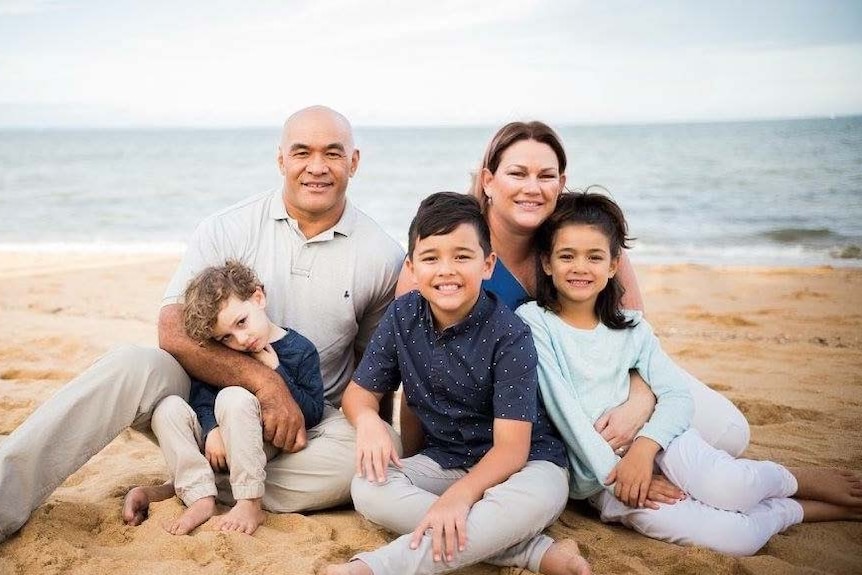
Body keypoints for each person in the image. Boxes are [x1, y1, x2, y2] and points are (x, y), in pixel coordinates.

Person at [0, 106, 405, 541]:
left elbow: (372, 370)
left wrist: (369, 436)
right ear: (281, 159)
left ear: (354, 161)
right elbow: (172, 330)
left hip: (302, 428)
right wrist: (265, 385)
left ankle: (193, 484)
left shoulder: (381, 254)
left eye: (333, 153)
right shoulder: (227, 228)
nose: (317, 167)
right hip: (203, 403)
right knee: (131, 363)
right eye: (302, 152)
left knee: (379, 455)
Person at [516, 190, 862, 555]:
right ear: (548, 263)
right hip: (603, 481)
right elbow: (563, 410)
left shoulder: (632, 328)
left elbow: (677, 396)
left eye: (594, 256)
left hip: (662, 441)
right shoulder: (535, 323)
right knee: (737, 539)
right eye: (567, 256)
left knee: (732, 488)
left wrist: (646, 449)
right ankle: (792, 509)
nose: (580, 267)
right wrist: (617, 477)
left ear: (614, 265)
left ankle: (791, 478)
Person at [398, 120, 750, 463]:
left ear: (561, 182)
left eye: (546, 176)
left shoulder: (583, 240)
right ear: (489, 181)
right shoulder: (450, 249)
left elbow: (634, 335)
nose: (532, 188)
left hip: (607, 379)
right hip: (522, 412)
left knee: (730, 434)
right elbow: (413, 362)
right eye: (518, 173)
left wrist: (640, 402)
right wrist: (411, 453)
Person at [327, 193, 590, 575]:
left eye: (462, 256)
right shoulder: (403, 315)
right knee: (367, 487)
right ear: (413, 268)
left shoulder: (510, 334)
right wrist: (368, 422)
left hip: (527, 466)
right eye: (431, 258)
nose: (446, 270)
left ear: (487, 265)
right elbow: (358, 394)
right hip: (447, 461)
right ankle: (527, 550)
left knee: (538, 497)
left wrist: (461, 498)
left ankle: (376, 568)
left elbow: (512, 451)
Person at [144, 260, 324, 535]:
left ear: (258, 298)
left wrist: (277, 370)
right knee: (167, 409)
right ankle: (200, 497)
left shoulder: (300, 350)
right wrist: (212, 429)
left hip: (260, 443)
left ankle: (249, 500)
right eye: (226, 338)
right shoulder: (230, 355)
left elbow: (312, 413)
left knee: (233, 397)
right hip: (218, 449)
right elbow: (201, 394)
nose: (241, 340)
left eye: (242, 322)